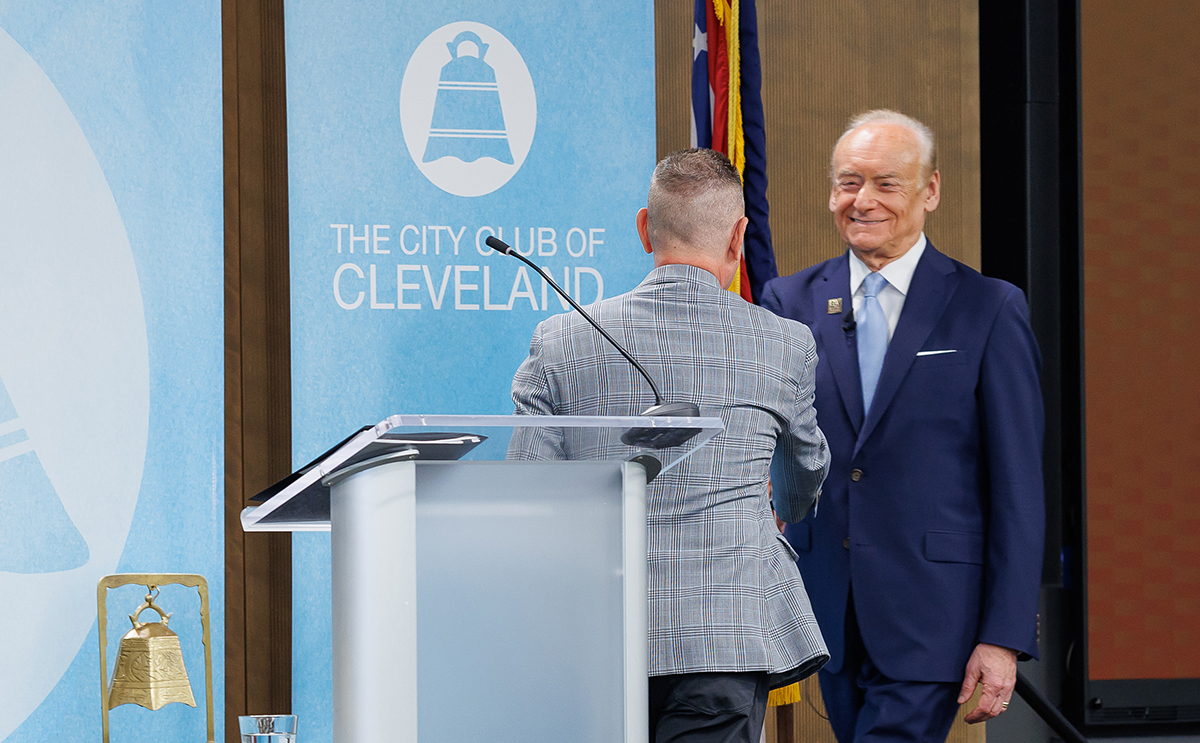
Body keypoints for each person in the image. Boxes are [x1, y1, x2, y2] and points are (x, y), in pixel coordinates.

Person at [510, 148, 831, 743]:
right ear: (740, 236)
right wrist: (778, 507)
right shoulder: (783, 343)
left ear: (643, 228)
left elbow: (530, 491)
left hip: (595, 639)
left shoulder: (558, 340)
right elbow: (806, 466)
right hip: (725, 636)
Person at [760, 110, 1045, 742]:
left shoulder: (989, 308)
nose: (863, 201)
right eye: (848, 182)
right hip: (824, 609)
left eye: (886, 183)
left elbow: (1019, 487)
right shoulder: (788, 302)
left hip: (934, 612)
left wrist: (1002, 635)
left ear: (931, 191)